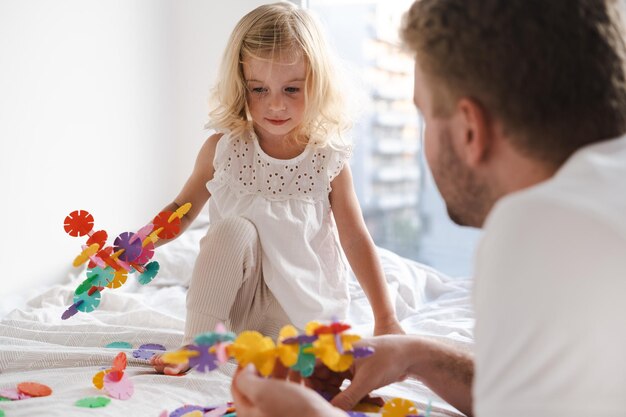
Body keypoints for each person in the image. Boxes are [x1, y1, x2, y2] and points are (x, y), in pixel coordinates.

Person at [230, 0, 626, 416]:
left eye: (424, 115)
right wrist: (416, 355)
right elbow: (545, 395)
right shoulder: (600, 199)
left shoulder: (538, 230)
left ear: (470, 129)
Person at [150, 2, 404, 375]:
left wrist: (385, 318)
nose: (275, 104)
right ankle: (198, 345)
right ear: (241, 85)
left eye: (291, 88)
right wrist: (138, 244)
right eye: (258, 88)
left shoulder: (327, 159)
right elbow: (182, 209)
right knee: (231, 230)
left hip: (303, 316)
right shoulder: (223, 150)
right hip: (242, 316)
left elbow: (355, 239)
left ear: (317, 84)